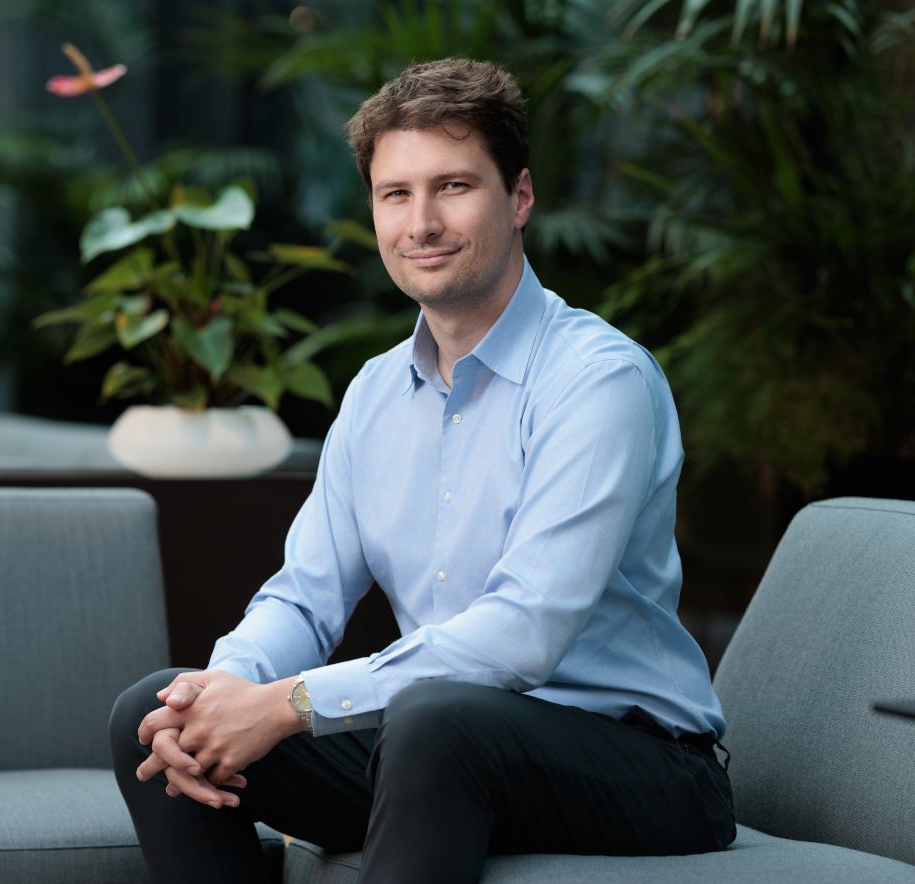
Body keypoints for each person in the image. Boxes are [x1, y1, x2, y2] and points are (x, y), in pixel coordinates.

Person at [110, 57, 735, 884]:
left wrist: (288, 704)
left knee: (436, 720)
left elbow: (523, 634)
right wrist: (222, 693)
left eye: (453, 187)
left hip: (641, 763)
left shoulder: (597, 380)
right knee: (152, 716)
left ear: (518, 198)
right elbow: (305, 593)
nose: (422, 223)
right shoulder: (375, 393)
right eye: (395, 194)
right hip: (438, 751)